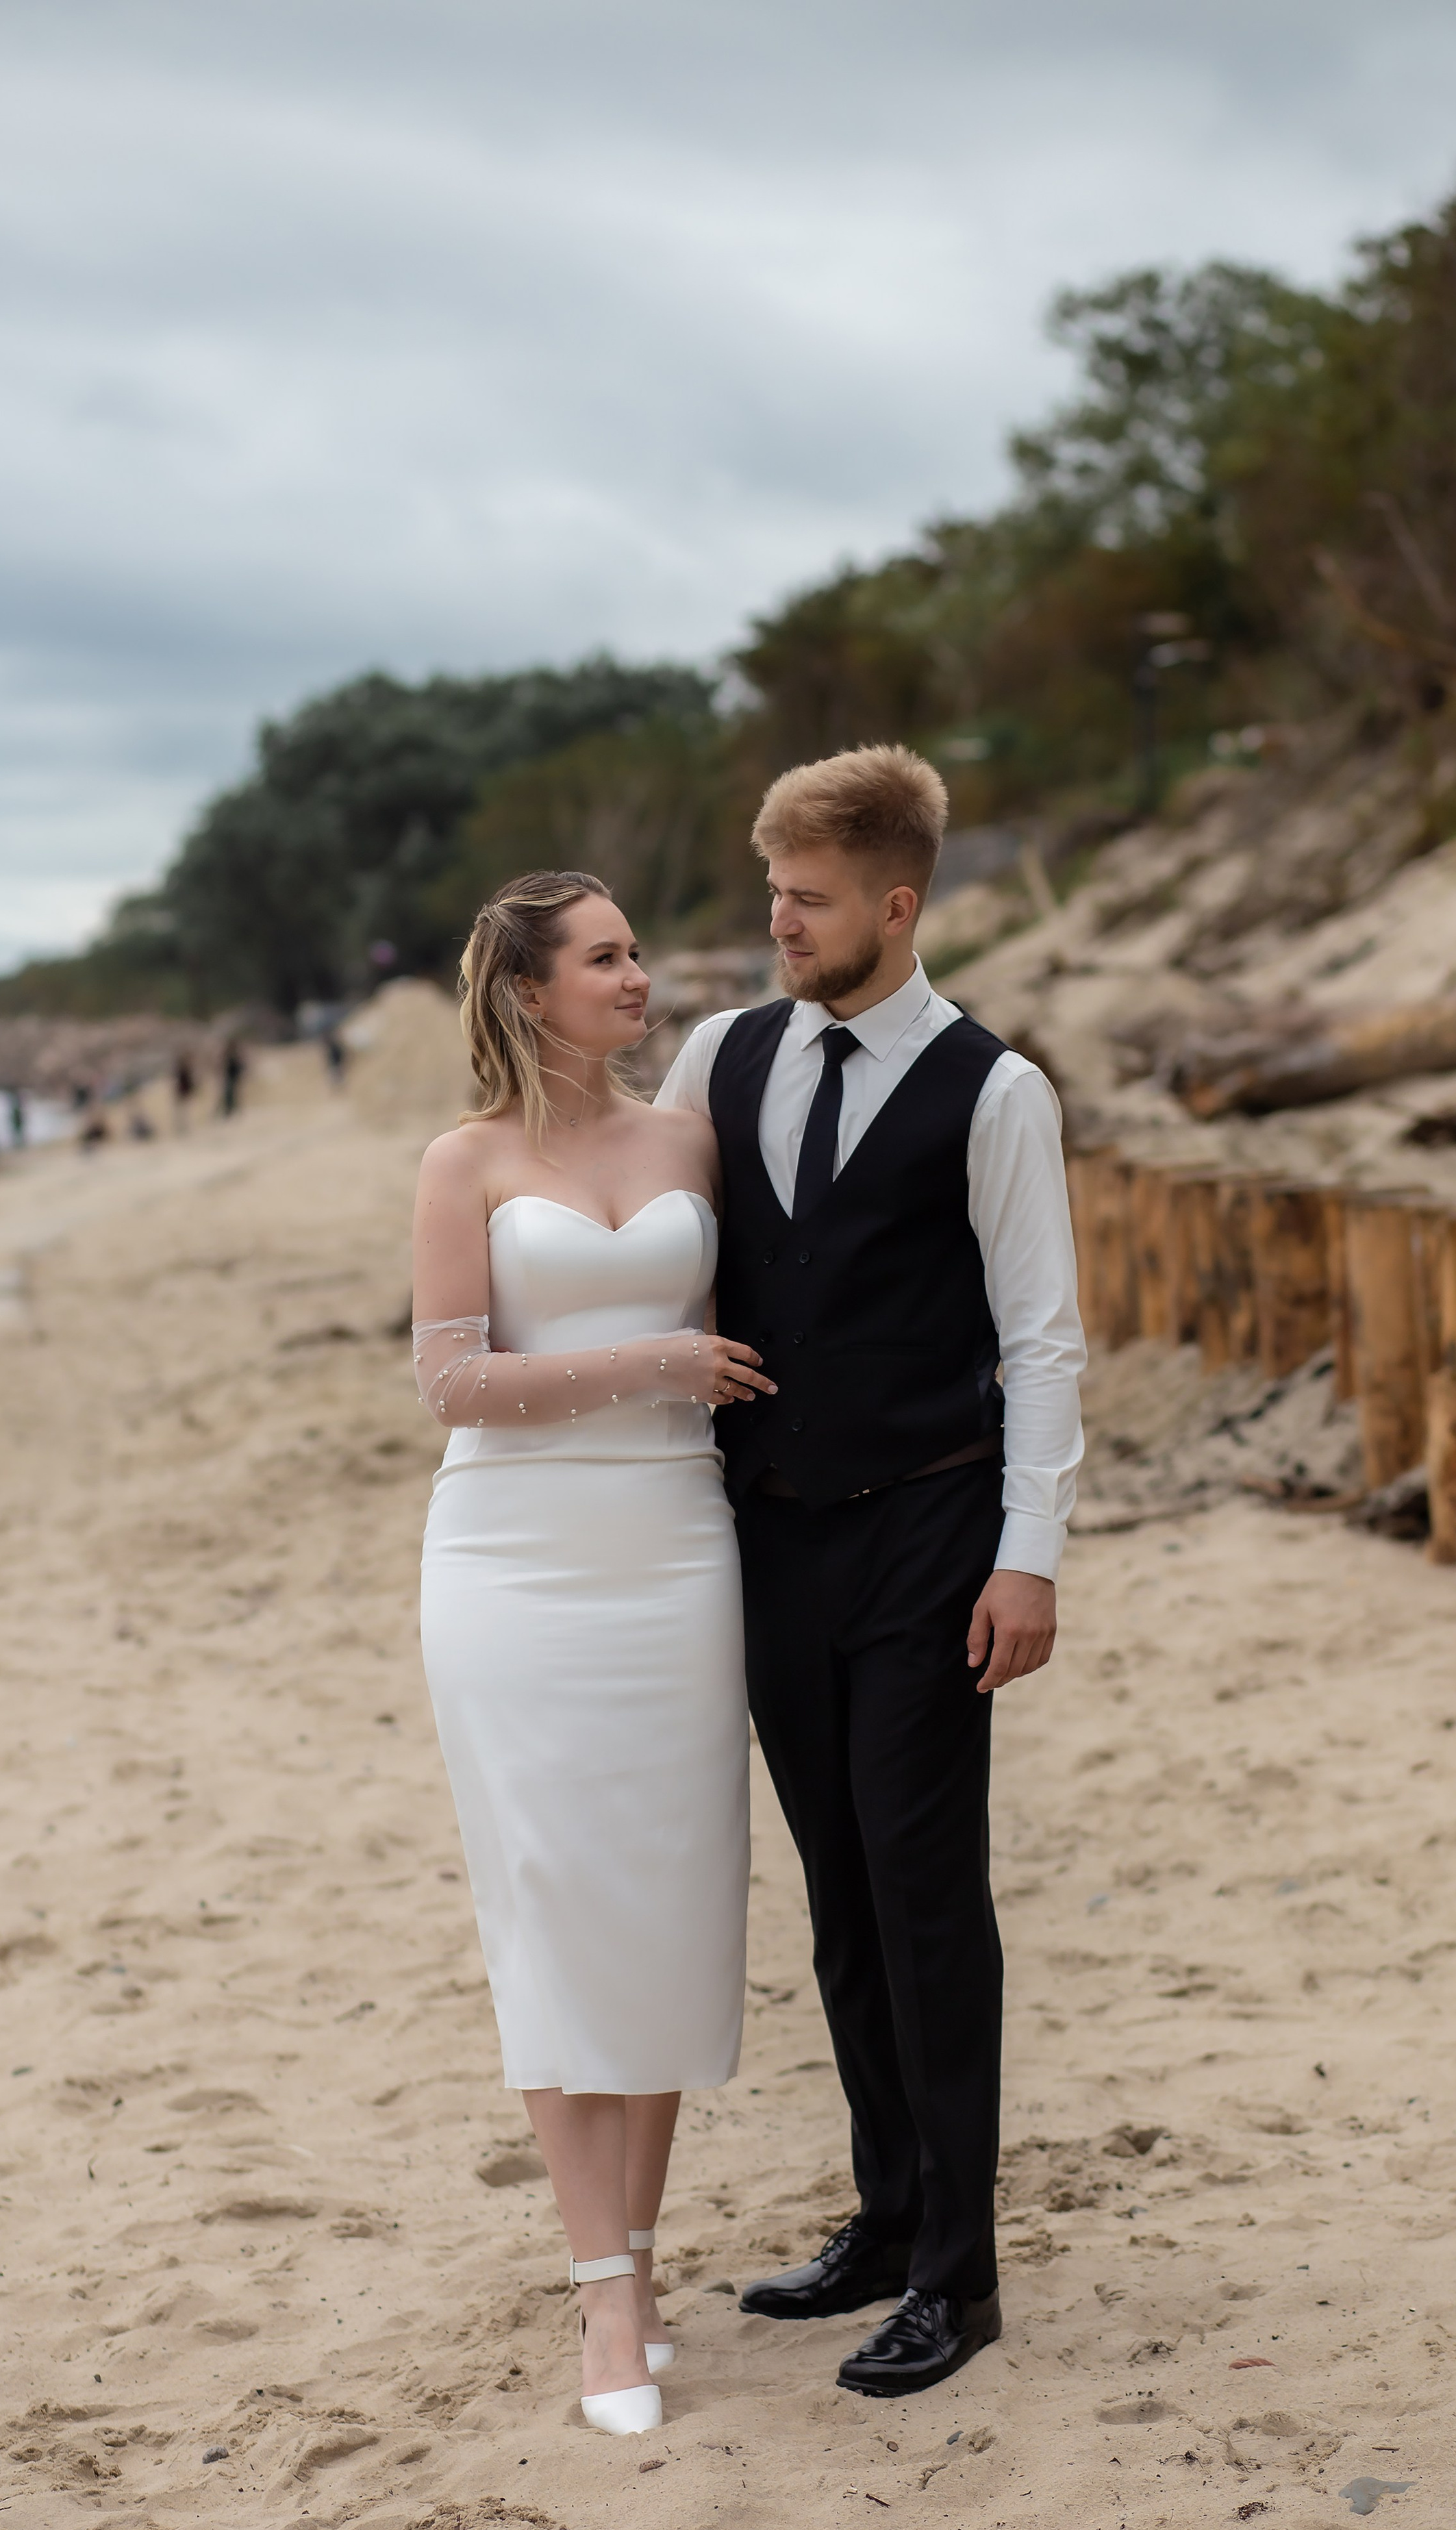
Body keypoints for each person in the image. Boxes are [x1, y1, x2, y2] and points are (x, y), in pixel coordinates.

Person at [656, 745, 1084, 2399]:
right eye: (770, 888)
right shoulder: (720, 1049)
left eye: (809, 898)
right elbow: (652, 1225)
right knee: (837, 1894)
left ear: (894, 906)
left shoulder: (994, 1091)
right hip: (765, 1538)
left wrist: (1024, 1559)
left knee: (923, 1901)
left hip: (925, 1538)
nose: (778, 920)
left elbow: (1042, 1344)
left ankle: (960, 2279)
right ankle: (886, 2215)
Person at [412, 869, 766, 2438]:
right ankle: (603, 2293)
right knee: (553, 1902)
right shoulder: (463, 1160)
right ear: (529, 989)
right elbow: (449, 1380)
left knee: (665, 1900)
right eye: (608, 956)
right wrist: (656, 1356)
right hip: (511, 1556)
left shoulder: (691, 1133)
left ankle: (643, 2248)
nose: (641, 974)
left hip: (677, 1546)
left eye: (637, 950)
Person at [220, 1038, 246, 1116]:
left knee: (234, 1096)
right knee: (229, 1096)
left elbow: (240, 1067)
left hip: (234, 1078)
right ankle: (229, 1111)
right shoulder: (229, 1056)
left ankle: (234, 1111)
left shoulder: (235, 1056)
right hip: (230, 1078)